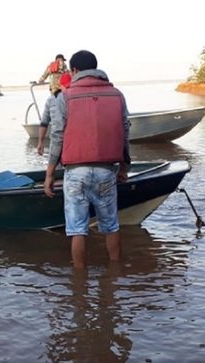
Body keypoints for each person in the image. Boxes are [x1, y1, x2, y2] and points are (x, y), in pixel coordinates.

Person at [44, 50, 131, 269]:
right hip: (106, 170)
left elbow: (57, 135)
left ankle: (79, 284)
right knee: (111, 226)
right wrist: (124, 167)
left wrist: (49, 174)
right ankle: (115, 275)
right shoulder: (116, 95)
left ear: (74, 71)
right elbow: (125, 130)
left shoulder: (65, 96)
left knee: (77, 229)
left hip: (75, 173)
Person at [36, 71, 72, 155]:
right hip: (58, 142)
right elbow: (44, 123)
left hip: (68, 142)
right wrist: (40, 142)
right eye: (66, 87)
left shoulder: (74, 99)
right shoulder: (51, 100)